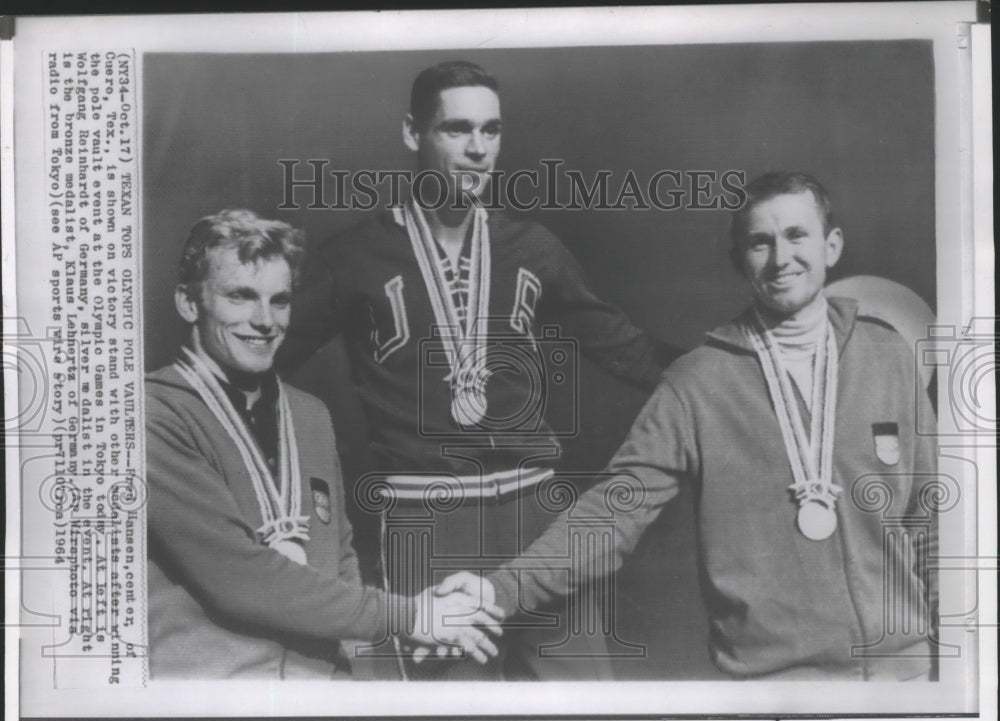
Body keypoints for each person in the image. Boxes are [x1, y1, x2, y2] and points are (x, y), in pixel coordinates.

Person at [281, 61, 679, 680]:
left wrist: (727, 371)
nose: (477, 150)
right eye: (457, 129)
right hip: (426, 522)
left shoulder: (533, 246)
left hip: (537, 518)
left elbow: (622, 346)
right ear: (414, 133)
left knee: (581, 714)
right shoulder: (353, 257)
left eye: (491, 131)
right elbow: (257, 361)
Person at [467, 172, 939, 680]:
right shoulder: (696, 383)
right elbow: (610, 514)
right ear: (740, 261)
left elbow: (934, 521)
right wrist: (499, 591)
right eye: (761, 243)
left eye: (797, 236)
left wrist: (963, 657)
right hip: (779, 692)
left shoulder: (888, 356)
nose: (781, 259)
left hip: (908, 674)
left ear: (832, 245)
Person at [145, 209, 500, 679]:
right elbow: (241, 578)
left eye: (280, 301)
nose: (264, 320)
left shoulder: (310, 415)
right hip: (214, 702)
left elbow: (342, 561)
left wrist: (366, 670)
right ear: (190, 303)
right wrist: (410, 616)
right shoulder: (151, 413)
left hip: (319, 692)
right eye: (240, 297)